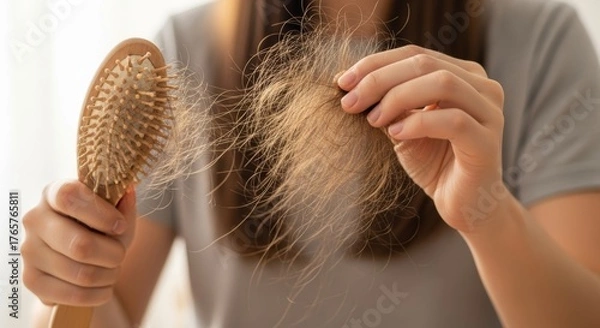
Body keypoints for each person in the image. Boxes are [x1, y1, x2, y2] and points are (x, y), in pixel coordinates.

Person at [22, 0, 600, 327]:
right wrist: (66, 276)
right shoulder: (185, 50)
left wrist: (486, 213)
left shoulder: (540, 41)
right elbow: (111, 308)